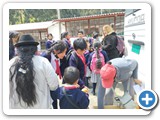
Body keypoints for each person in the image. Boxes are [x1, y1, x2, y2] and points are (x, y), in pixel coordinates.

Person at [9, 34, 59, 109]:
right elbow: (54, 86)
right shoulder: (43, 62)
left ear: (19, 49)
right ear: (34, 48)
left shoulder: (10, 64)